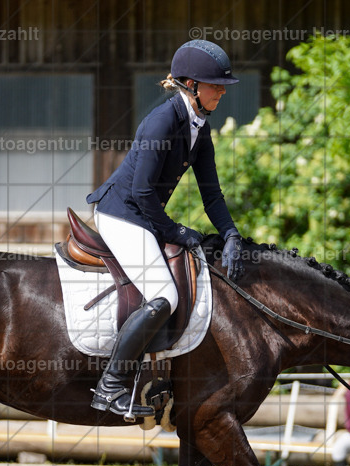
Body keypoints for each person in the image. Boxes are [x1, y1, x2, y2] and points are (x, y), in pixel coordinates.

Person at [84, 39, 246, 420]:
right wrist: (176, 232)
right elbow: (142, 192)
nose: (222, 92)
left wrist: (231, 234)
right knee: (164, 295)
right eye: (216, 85)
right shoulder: (162, 121)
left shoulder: (199, 129)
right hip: (121, 213)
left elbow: (212, 195)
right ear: (191, 85)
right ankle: (110, 386)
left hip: (141, 214)